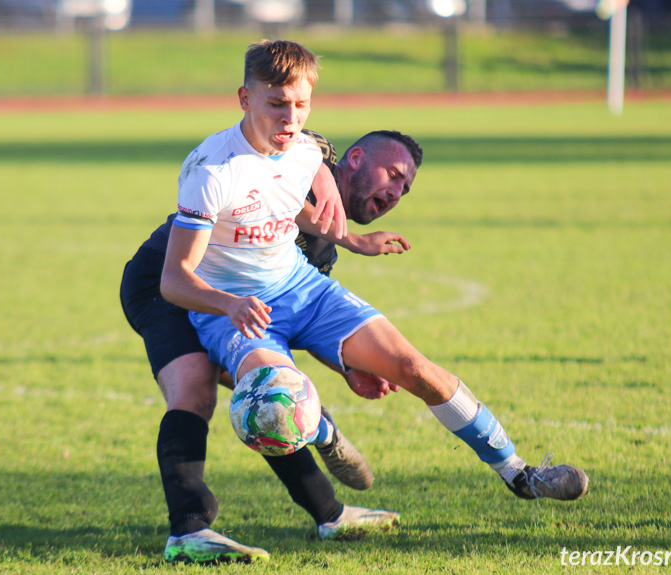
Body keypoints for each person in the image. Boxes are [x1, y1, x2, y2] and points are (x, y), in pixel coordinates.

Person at [161, 36, 590, 559]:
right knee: (275, 408)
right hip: (238, 311)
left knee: (415, 368)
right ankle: (319, 433)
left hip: (301, 286)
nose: (290, 118)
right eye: (276, 104)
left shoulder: (302, 150)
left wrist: (353, 240)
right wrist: (228, 304)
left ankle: (520, 473)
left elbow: (280, 204)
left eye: (301, 105)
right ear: (244, 99)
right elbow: (175, 281)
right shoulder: (211, 171)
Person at [121, 94, 422, 565]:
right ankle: (189, 530)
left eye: (406, 190)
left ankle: (330, 512)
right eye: (393, 179)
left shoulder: (321, 251)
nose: (394, 196)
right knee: (195, 390)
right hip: (165, 280)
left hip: (228, 298)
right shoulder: (298, 163)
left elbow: (297, 324)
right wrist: (321, 164)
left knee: (268, 392)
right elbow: (296, 137)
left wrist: (346, 369)